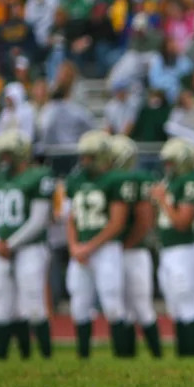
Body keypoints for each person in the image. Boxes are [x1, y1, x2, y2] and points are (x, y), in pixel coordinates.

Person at [0, 131, 55, 360]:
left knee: (32, 301)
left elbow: (39, 218)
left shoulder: (38, 176)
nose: (4, 158)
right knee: (2, 302)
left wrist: (10, 244)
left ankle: (44, 357)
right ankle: (2, 359)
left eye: (8, 153)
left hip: (30, 247)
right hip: (1, 249)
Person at [65, 131, 130, 358]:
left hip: (106, 249)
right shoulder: (75, 180)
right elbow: (71, 218)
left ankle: (122, 356)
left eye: (89, 157)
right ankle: (83, 356)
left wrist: (88, 246)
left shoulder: (115, 179)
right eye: (83, 157)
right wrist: (74, 246)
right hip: (82, 250)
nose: (84, 162)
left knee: (112, 302)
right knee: (79, 304)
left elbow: (117, 222)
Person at [150, 138, 194, 357]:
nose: (168, 167)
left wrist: (162, 200)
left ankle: (192, 354)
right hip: (168, 250)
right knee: (175, 306)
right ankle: (181, 354)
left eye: (172, 162)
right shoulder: (172, 182)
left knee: (187, 303)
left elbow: (182, 222)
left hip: (185, 248)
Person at [109, 134, 162, 358]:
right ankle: (126, 355)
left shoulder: (138, 180)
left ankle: (156, 354)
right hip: (112, 251)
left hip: (134, 251)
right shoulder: (105, 180)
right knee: (121, 307)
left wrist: (127, 244)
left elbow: (145, 220)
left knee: (141, 305)